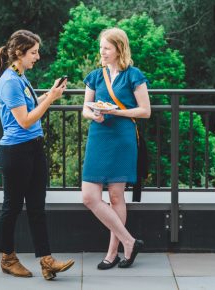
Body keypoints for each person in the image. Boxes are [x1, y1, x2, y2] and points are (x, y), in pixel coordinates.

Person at [0, 30, 74, 280]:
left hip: (33, 148)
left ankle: (47, 261)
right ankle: (7, 258)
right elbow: (24, 120)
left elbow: (31, 109)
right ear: (19, 53)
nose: (37, 56)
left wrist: (50, 94)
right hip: (16, 152)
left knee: (37, 208)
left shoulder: (20, 76)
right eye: (33, 52)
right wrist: (52, 100)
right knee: (12, 207)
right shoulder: (10, 81)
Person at [81, 28, 151, 270]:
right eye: (101, 47)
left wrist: (115, 112)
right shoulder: (95, 76)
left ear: (119, 49)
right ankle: (129, 241)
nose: (102, 52)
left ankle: (112, 253)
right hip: (99, 136)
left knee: (115, 196)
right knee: (89, 196)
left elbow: (145, 111)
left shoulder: (134, 75)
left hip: (122, 137)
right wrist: (95, 115)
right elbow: (85, 109)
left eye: (107, 48)